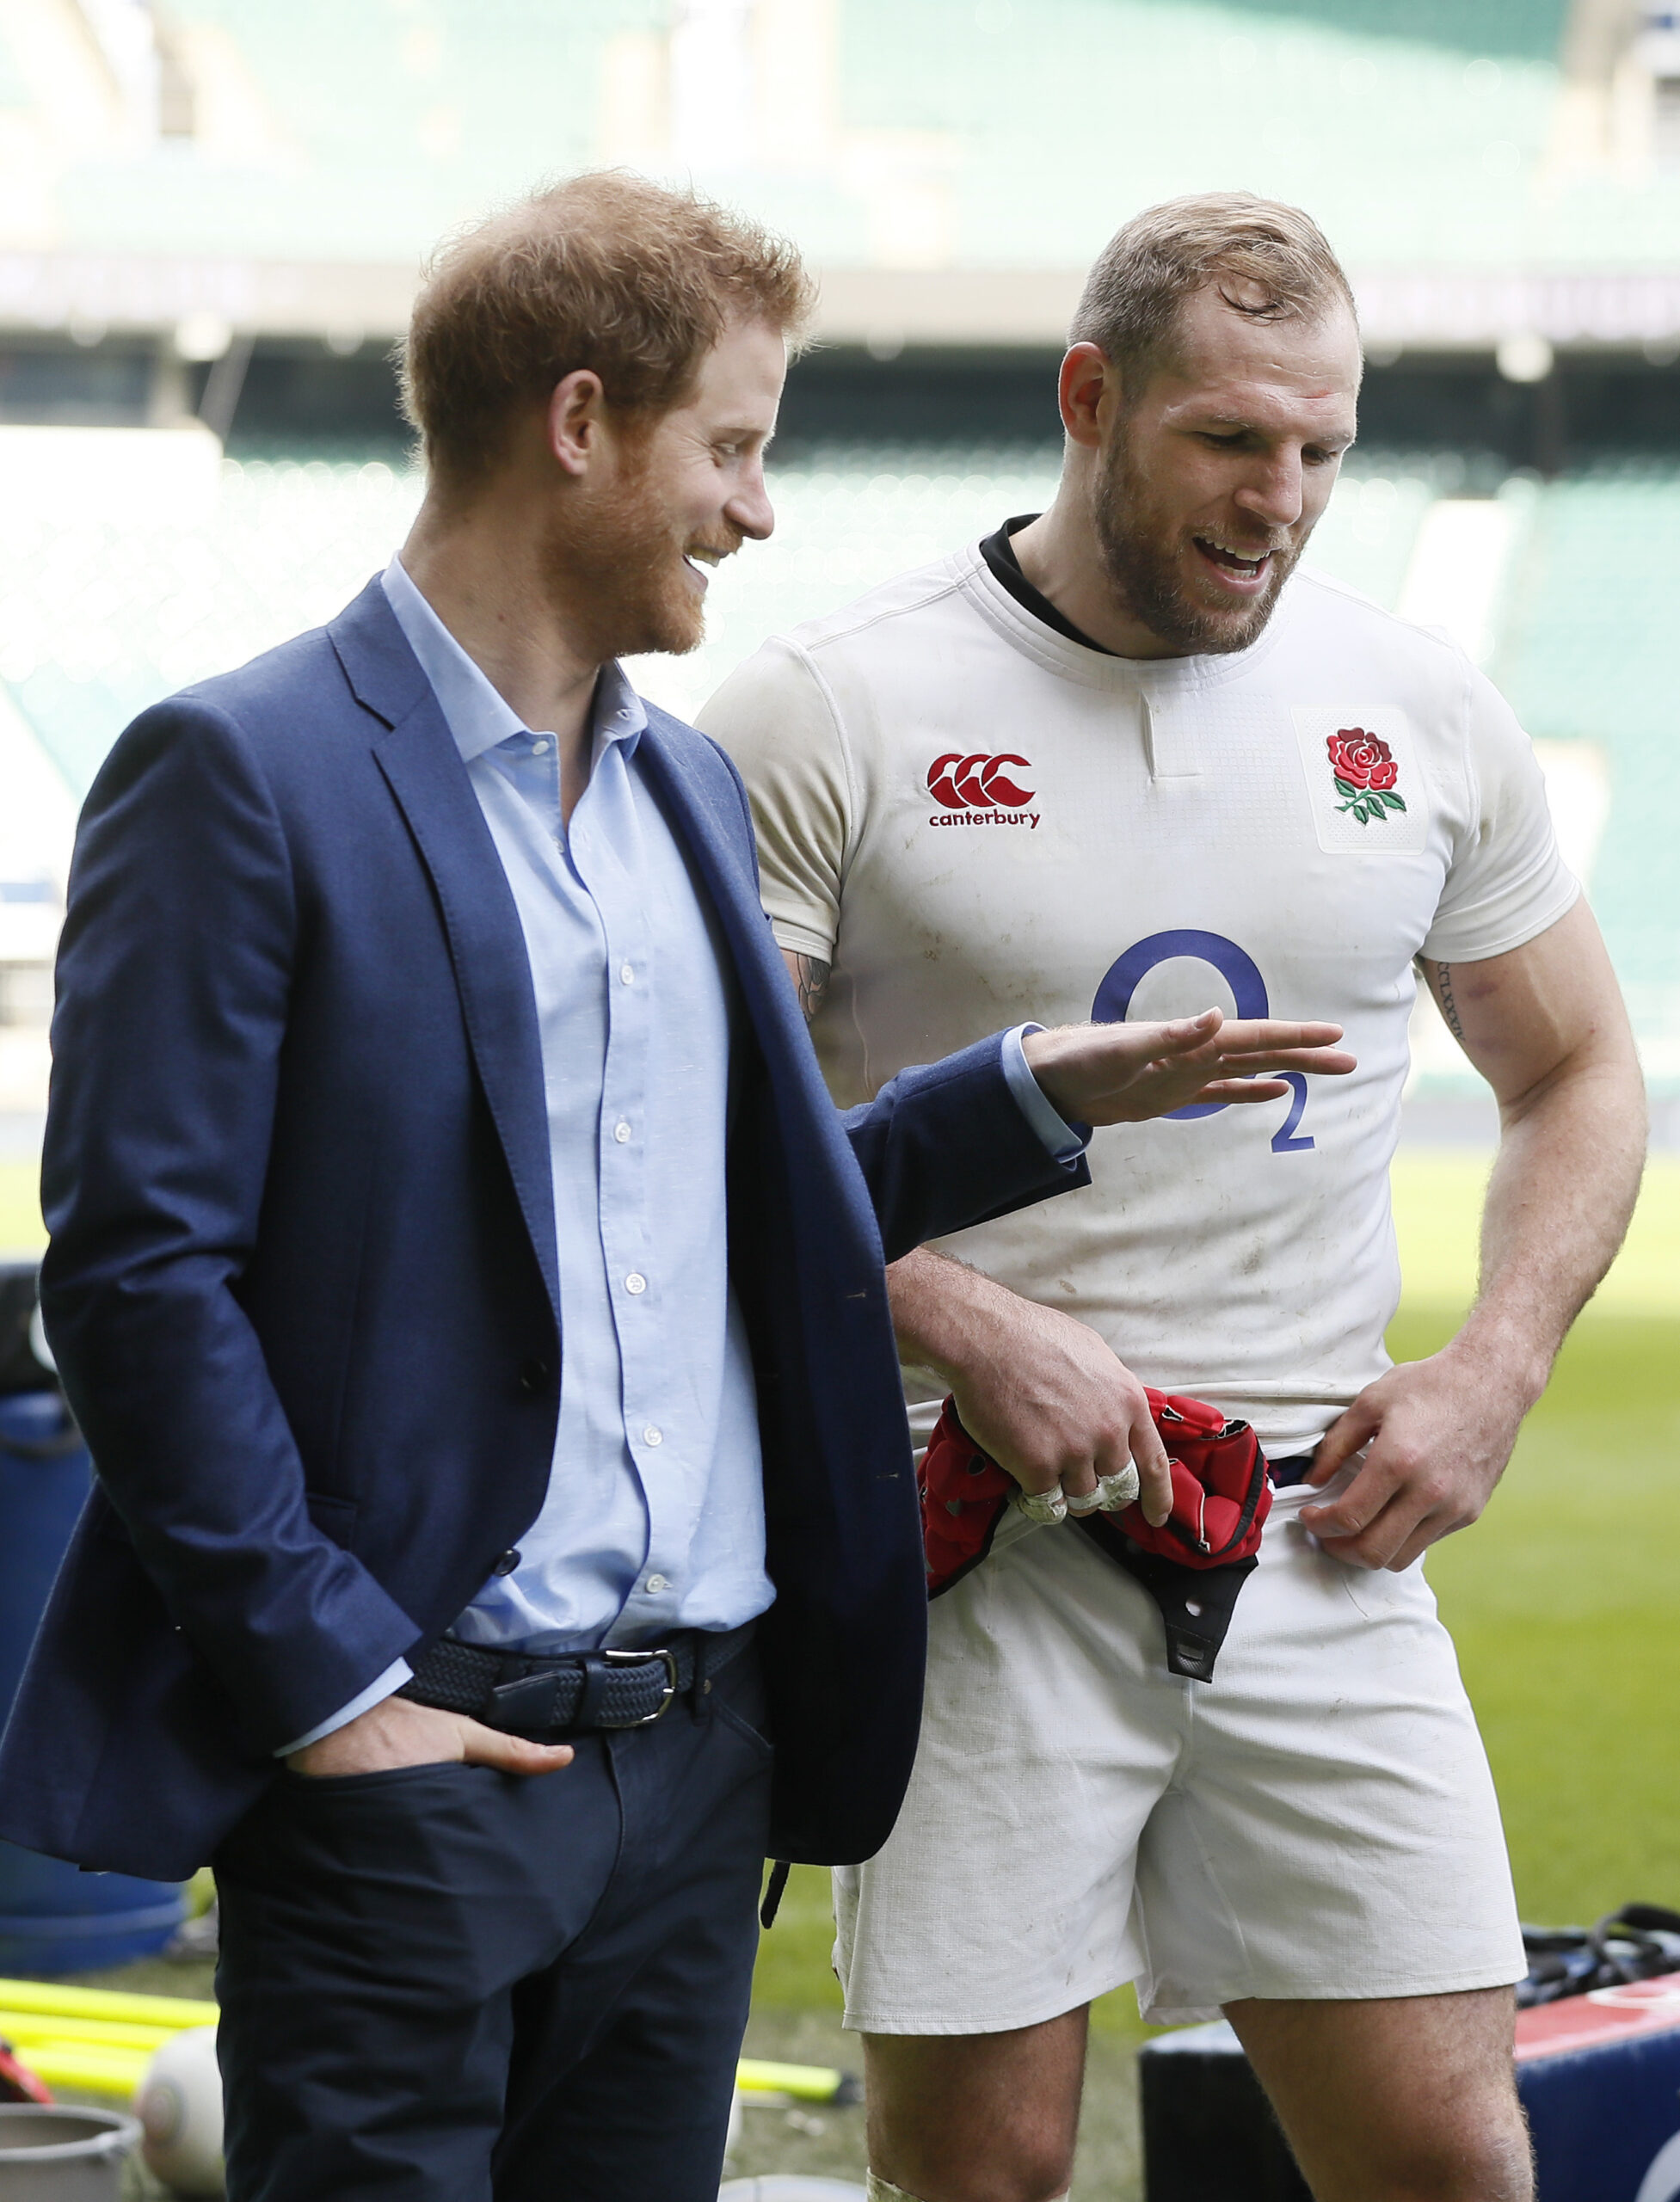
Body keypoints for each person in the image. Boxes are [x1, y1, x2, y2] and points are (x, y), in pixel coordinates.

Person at [0, 176, 1352, 2202]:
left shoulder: (679, 784)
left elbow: (748, 1211)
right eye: (730, 446)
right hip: (412, 1761)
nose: (756, 507)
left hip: (693, 1765)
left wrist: (1014, 1095)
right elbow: (135, 1276)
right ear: (578, 424)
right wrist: (329, 1687)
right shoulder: (241, 769)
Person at [700, 192, 1646, 2202]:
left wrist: (1489, 1364)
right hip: (970, 1537)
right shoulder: (831, 706)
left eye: (1320, 447)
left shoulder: (1419, 706)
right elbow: (698, 1129)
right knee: (986, 2174)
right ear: (1088, 396)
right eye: (1229, 439)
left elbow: (1572, 1066)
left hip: (1321, 1532)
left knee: (1445, 2161)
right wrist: (958, 1316)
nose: (1278, 495)